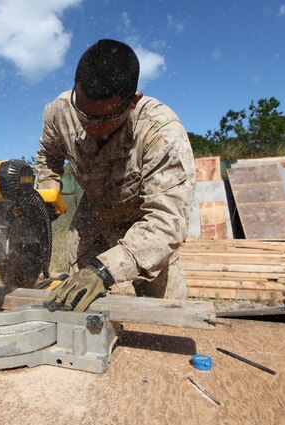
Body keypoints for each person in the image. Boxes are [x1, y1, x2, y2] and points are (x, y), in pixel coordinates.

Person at [36, 39, 196, 312]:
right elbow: (48, 154)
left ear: (133, 102)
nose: (92, 126)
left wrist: (104, 270)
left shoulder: (161, 133)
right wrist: (46, 193)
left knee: (166, 312)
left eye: (106, 119)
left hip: (144, 220)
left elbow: (168, 220)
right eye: (85, 115)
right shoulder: (59, 112)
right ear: (76, 87)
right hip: (92, 214)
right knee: (74, 300)